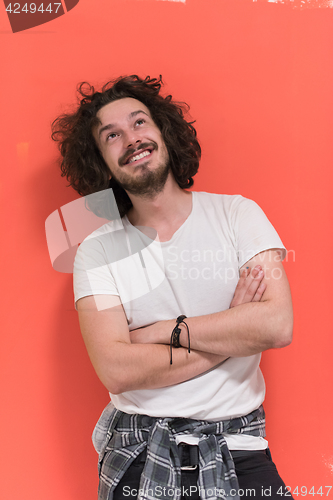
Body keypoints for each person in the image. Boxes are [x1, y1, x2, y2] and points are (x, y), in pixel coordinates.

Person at [52, 75, 293, 500]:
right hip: (139, 449)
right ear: (101, 161)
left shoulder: (238, 215)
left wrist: (167, 329)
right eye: (112, 135)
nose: (131, 138)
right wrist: (232, 333)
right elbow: (117, 369)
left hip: (239, 446)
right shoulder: (96, 250)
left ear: (164, 131)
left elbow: (276, 326)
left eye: (139, 122)